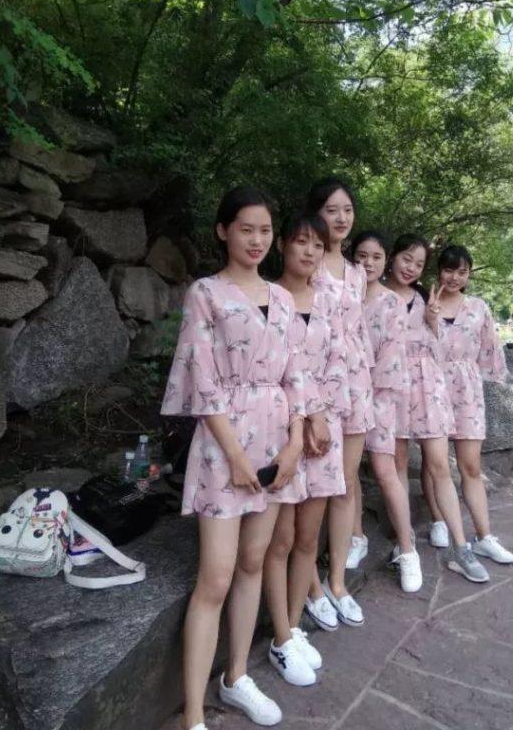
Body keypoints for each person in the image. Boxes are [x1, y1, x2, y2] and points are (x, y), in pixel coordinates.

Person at [161, 186, 307, 730]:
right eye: (246, 229)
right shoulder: (206, 292)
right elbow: (202, 379)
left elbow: (296, 375)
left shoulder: (283, 298)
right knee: (217, 576)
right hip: (225, 445)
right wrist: (235, 456)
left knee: (253, 562)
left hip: (277, 439)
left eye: (265, 230)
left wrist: (295, 441)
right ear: (223, 231)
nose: (257, 240)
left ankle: (237, 675)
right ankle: (194, 716)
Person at [263, 213, 349, 687]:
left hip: (325, 430)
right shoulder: (268, 297)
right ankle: (279, 635)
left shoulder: (328, 300)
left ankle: (294, 628)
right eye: (301, 242)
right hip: (283, 427)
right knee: (279, 541)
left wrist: (324, 416)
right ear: (283, 245)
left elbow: (339, 360)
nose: (310, 251)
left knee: (306, 540)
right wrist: (309, 415)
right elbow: (275, 366)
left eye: (317, 244)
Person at [385, 233, 489, 583]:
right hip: (390, 388)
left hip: (427, 388)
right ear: (391, 258)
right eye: (406, 259)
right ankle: (405, 544)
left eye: (418, 263)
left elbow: (438, 348)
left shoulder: (423, 299)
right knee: (397, 465)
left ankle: (462, 546)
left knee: (440, 465)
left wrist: (431, 321)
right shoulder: (373, 295)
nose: (411, 267)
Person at [305, 178, 375, 629]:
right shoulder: (306, 262)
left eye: (347, 209)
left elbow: (359, 327)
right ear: (316, 213)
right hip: (317, 382)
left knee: (346, 482)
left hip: (356, 381)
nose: (341, 218)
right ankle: (309, 584)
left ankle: (336, 582)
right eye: (332, 210)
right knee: (315, 485)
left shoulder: (357, 271)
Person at [432, 245, 513, 566]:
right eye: (449, 270)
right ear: (438, 271)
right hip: (432, 388)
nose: (455, 277)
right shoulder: (425, 305)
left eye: (462, 271)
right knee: (435, 464)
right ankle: (440, 521)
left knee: (471, 467)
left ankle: (484, 537)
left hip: (467, 390)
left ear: (468, 274)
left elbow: (490, 350)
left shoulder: (478, 307)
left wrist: (487, 383)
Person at [351, 230, 422, 592]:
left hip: (378, 394)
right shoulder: (342, 295)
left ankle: (407, 549)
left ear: (386, 261)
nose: (368, 263)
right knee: (348, 470)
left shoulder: (392, 302)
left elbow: (392, 358)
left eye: (376, 257)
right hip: (345, 394)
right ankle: (356, 536)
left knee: (384, 468)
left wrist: (368, 390)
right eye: (362, 256)